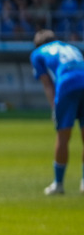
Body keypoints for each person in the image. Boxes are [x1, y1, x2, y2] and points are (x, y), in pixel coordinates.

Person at [30, 29, 84, 195]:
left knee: (63, 135)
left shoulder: (38, 53)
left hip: (67, 85)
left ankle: (58, 184)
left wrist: (55, 108)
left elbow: (47, 84)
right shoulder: (72, 48)